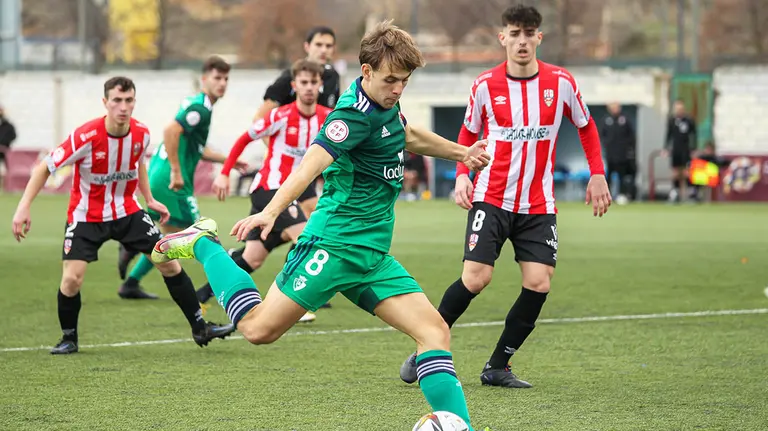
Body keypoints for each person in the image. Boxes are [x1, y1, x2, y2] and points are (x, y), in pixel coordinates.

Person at [151, 21, 490, 430]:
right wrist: (271, 211)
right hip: (331, 246)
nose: (399, 88)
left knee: (434, 333)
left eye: (405, 81)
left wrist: (461, 153)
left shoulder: (385, 104)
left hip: (370, 256)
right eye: (391, 80)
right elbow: (313, 159)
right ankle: (205, 243)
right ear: (366, 73)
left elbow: (406, 133)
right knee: (258, 329)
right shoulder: (351, 115)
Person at [398, 4, 611, 389]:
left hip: (538, 204)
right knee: (476, 278)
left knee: (539, 282)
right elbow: (466, 134)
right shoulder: (484, 86)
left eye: (529, 33)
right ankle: (424, 346)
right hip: (491, 197)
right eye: (515, 34)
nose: (522, 41)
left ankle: (498, 366)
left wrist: (597, 173)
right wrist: (462, 175)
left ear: (539, 37)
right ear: (503, 38)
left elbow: (586, 125)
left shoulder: (561, 82)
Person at [10, 77, 235, 355]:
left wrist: (150, 199)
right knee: (72, 279)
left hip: (127, 210)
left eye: (128, 100)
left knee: (169, 262)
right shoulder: (86, 136)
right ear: (105, 103)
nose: (123, 107)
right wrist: (23, 206)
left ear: (134, 102)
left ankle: (200, 327)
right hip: (86, 216)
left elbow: (138, 163)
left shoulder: (141, 134)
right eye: (116, 100)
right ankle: (69, 338)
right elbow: (46, 167)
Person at [195, 59, 332, 323]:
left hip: (294, 193)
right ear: (294, 86)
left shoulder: (327, 118)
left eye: (313, 83)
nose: (308, 88)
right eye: (303, 83)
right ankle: (293, 303)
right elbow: (245, 138)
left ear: (320, 85)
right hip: (269, 189)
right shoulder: (281, 116)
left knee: (253, 258)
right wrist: (224, 173)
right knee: (307, 237)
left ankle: (200, 294)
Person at [116, 56, 247, 299]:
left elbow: (195, 147)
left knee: (172, 236)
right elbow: (170, 131)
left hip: (160, 173)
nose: (222, 83)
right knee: (199, 234)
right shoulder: (200, 108)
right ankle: (224, 290)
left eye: (226, 79)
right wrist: (176, 171)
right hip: (171, 180)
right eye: (217, 78)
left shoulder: (198, 104)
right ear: (204, 79)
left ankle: (131, 280)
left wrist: (228, 160)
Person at [600, 102, 636, 203]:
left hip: (622, 154)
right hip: (610, 154)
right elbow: (602, 135)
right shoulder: (606, 120)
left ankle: (622, 195)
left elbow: (631, 136)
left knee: (622, 176)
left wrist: (630, 150)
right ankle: (606, 196)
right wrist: (606, 145)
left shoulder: (625, 119)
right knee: (608, 176)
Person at [663, 99, 697, 203]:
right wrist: (665, 148)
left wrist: (694, 149)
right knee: (675, 172)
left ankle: (691, 193)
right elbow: (668, 135)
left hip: (686, 150)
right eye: (677, 108)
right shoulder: (672, 121)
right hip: (675, 150)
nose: (679, 110)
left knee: (687, 172)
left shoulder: (689, 120)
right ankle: (675, 192)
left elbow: (694, 135)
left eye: (680, 108)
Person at [0, 104, 17, 192]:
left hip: (5, 151)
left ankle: (7, 186)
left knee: (7, 169)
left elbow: (13, 135)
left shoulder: (7, 125)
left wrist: (5, 143)